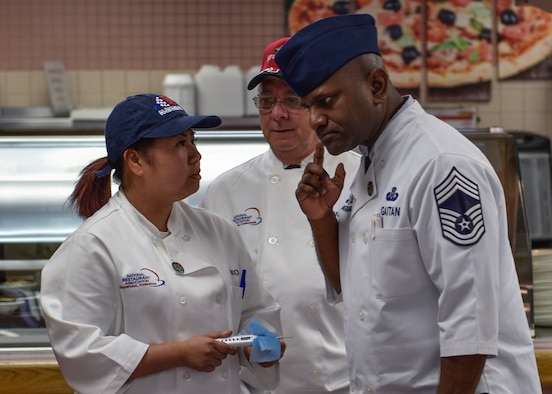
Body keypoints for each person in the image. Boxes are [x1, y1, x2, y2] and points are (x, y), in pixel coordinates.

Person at [274, 14, 542, 393]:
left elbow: (471, 322)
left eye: (326, 101)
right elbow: (355, 289)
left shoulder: (440, 164)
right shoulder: (367, 164)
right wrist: (322, 222)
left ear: (377, 85)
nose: (315, 119)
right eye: (309, 105)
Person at [40, 94, 285, 394]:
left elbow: (255, 311)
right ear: (136, 160)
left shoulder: (220, 232)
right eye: (180, 144)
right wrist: (179, 354)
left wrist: (257, 346)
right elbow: (82, 353)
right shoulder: (93, 245)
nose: (196, 155)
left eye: (193, 141)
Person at [200, 38, 359, 393]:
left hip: (342, 380)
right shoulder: (226, 190)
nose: (278, 113)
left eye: (291, 100)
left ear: (319, 104)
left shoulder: (358, 179)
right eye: (268, 101)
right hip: (254, 384)